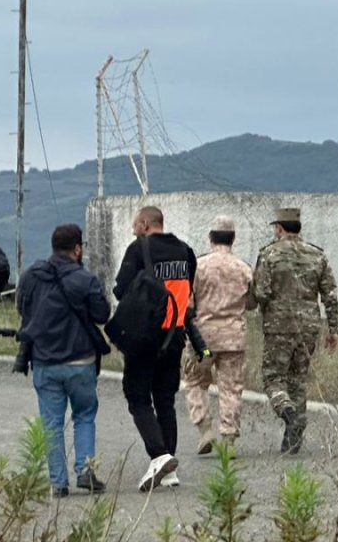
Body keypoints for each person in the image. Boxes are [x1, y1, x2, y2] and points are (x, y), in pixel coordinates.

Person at [112, 205, 210, 492]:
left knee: (137, 397)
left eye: (134, 224)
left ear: (144, 223)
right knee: (165, 399)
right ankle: (169, 471)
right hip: (175, 335)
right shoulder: (185, 251)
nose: (133, 230)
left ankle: (159, 455)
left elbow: (120, 290)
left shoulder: (138, 249)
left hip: (145, 336)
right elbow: (189, 291)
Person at [17, 224, 111, 498]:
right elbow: (101, 314)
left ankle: (58, 483)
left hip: (44, 360)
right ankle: (85, 470)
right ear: (77, 248)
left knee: (51, 423)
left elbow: (23, 309)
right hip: (80, 361)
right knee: (84, 415)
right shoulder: (84, 279)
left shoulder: (31, 276)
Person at [252, 207, 338, 454]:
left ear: (279, 228)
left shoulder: (268, 255)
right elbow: (330, 295)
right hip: (308, 326)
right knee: (298, 379)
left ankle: (289, 414)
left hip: (278, 326)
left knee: (273, 378)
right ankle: (293, 439)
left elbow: (262, 293)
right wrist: (334, 328)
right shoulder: (317, 255)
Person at [184, 215, 254, 455]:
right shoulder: (243, 268)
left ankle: (205, 428)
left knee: (194, 380)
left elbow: (188, 301)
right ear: (233, 239)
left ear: (211, 237)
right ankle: (229, 438)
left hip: (203, 337)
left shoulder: (198, 266)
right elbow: (252, 302)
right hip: (233, 337)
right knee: (231, 388)